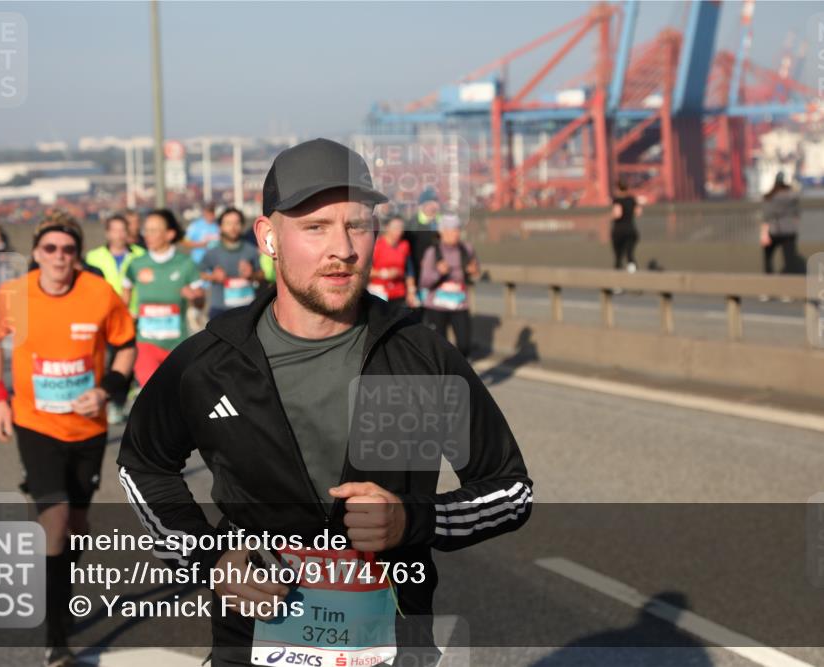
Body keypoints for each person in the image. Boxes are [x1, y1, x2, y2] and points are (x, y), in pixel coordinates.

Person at [118, 138, 532, 667]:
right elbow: (143, 463)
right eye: (315, 227)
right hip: (251, 644)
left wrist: (414, 520)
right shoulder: (210, 362)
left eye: (358, 224)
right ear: (269, 237)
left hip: (391, 647)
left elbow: (510, 490)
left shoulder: (419, 354)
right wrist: (210, 557)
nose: (344, 249)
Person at [0, 211, 136, 667]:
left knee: (77, 525)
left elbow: (125, 343)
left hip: (87, 429)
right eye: (50, 249)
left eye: (68, 249)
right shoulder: (15, 294)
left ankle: (60, 587)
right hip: (35, 424)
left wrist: (108, 389)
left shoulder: (98, 293)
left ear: (77, 255)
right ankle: (56, 637)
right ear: (36, 253)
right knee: (56, 519)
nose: (59, 257)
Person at [122, 209, 204, 386]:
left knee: (174, 393)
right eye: (146, 230)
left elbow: (200, 301)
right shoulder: (137, 264)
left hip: (177, 343)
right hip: (146, 343)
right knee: (150, 388)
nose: (147, 235)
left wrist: (195, 298)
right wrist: (126, 313)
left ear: (169, 234)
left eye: (154, 230)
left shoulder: (186, 264)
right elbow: (125, 292)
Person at [419, 214, 480, 358]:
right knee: (439, 347)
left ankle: (457, 369)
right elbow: (424, 281)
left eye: (457, 230)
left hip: (459, 304)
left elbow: (475, 270)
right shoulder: (432, 252)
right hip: (437, 306)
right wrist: (438, 273)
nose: (456, 234)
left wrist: (473, 271)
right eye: (452, 230)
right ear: (442, 232)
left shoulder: (467, 249)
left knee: (465, 345)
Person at [199, 207, 262, 319]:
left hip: (247, 309)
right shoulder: (212, 252)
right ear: (220, 227)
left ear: (242, 226)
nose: (233, 228)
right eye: (228, 223)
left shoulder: (251, 250)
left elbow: (263, 275)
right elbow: (197, 274)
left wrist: (251, 275)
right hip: (220, 310)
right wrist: (213, 276)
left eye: (237, 223)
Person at [85, 213, 146, 314]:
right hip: (105, 312)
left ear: (127, 232)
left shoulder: (141, 254)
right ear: (107, 233)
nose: (119, 235)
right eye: (115, 231)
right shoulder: (93, 257)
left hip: (134, 313)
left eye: (122, 230)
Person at [180, 202, 220, 332]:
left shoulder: (216, 226)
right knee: (198, 294)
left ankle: (203, 318)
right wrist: (199, 245)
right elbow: (184, 242)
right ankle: (193, 318)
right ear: (204, 213)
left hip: (213, 265)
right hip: (197, 265)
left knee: (209, 295)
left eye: (212, 212)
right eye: (208, 212)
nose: (211, 215)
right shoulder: (196, 226)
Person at [369, 214, 419, 310]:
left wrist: (411, 292)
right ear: (387, 227)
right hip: (379, 292)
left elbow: (409, 271)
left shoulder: (405, 245)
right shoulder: (377, 246)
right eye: (396, 227)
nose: (399, 231)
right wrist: (383, 273)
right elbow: (365, 270)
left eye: (401, 228)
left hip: (398, 293)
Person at [761, 173, 801, 276]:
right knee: (789, 259)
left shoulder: (770, 197)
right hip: (789, 231)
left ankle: (769, 277)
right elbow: (796, 214)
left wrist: (764, 234)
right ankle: (787, 279)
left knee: (768, 256)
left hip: (775, 230)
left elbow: (766, 217)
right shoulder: (792, 196)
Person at [610, 178, 641, 272]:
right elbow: (638, 212)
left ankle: (617, 283)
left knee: (618, 257)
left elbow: (617, 214)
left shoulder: (617, 200)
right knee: (630, 255)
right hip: (631, 230)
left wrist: (610, 216)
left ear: (617, 188)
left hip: (619, 231)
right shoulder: (632, 199)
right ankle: (633, 275)